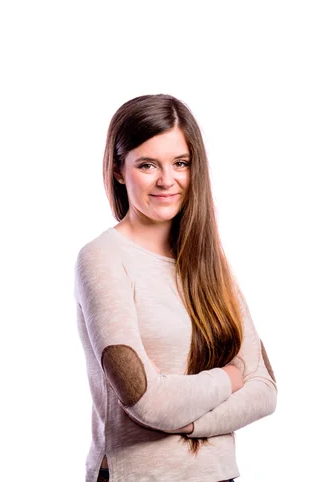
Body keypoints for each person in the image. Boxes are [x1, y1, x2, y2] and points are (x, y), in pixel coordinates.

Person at [73, 94, 278, 482]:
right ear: (119, 170)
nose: (167, 180)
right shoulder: (102, 258)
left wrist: (188, 425)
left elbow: (265, 389)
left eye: (180, 163)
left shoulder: (210, 264)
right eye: (148, 165)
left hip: (219, 476)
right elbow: (146, 399)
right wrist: (229, 379)